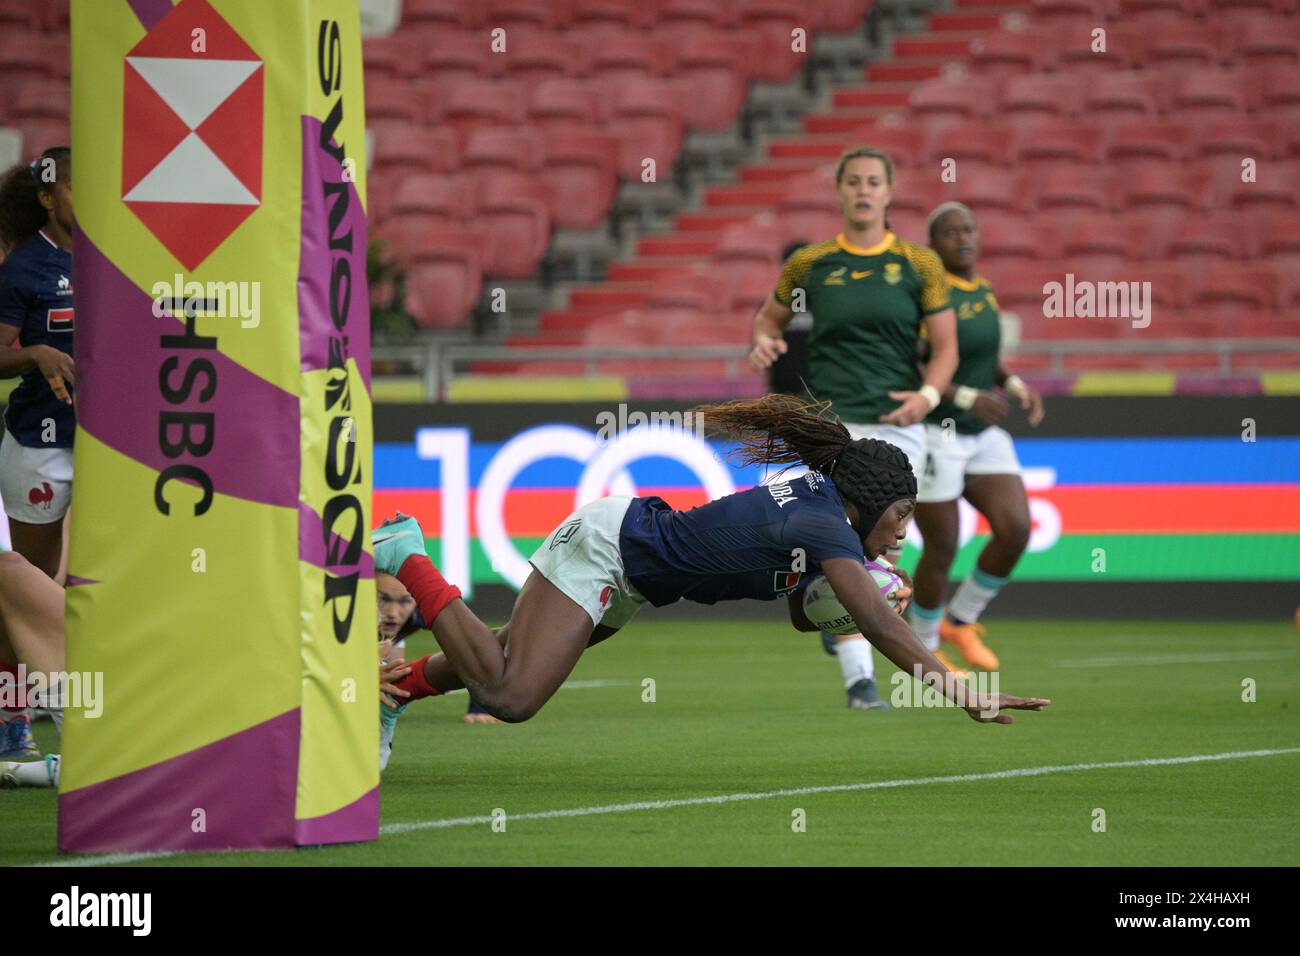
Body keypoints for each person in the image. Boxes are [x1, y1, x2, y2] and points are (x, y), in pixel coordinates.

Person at [375, 395, 1049, 728]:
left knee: (498, 653)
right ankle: (407, 553)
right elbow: (881, 626)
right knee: (510, 694)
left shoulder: (823, 522)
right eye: (902, 516)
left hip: (633, 568)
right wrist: (963, 690)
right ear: (868, 503)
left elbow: (797, 616)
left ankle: (398, 689)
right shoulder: (824, 520)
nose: (906, 532)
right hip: (612, 548)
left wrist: (829, 599)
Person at [748, 146, 962, 707]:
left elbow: (945, 349)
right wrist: (762, 339)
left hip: (897, 422)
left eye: (873, 182)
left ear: (890, 192)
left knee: (884, 551)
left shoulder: (921, 265)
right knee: (835, 543)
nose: (863, 191)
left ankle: (842, 628)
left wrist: (928, 395)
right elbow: (769, 318)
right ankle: (860, 682)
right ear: (839, 191)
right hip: (831, 424)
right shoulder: (810, 265)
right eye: (853, 182)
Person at [910, 202, 1045, 671]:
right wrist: (967, 398)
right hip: (938, 431)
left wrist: (1013, 385)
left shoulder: (983, 290)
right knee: (942, 546)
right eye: (951, 232)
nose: (964, 238)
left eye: (969, 230)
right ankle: (925, 646)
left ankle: (960, 620)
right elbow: (914, 368)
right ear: (933, 244)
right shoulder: (928, 296)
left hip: (982, 432)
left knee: (1016, 529)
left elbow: (986, 357)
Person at [0, 146, 74, 758]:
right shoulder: (24, 267)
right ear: (49, 198)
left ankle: (94, 700)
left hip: (113, 445)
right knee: (28, 583)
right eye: (76, 189)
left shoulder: (122, 257)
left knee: (97, 577)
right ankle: (11, 713)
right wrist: (37, 353)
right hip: (40, 444)